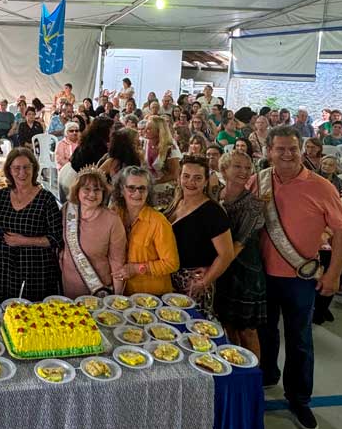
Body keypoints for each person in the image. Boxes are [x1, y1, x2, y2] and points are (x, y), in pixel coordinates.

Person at [258, 125, 342, 429]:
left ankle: (298, 399)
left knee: (299, 341)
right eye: (280, 148)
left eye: (292, 149)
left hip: (300, 277)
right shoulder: (258, 180)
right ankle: (267, 375)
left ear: (302, 150)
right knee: (266, 332)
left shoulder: (322, 187)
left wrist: (334, 273)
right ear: (269, 150)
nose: (287, 154)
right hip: (262, 275)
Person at [163, 155, 234, 317]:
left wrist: (204, 281)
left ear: (206, 181)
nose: (190, 182)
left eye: (197, 178)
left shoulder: (213, 212)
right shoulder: (177, 201)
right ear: (179, 177)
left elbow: (227, 254)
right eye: (186, 176)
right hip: (169, 278)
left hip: (191, 282)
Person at [214, 151, 266, 355]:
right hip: (223, 269)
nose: (243, 171)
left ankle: (254, 380)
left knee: (247, 330)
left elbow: (238, 244)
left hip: (245, 272)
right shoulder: (215, 194)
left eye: (247, 167)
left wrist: (212, 272)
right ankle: (237, 370)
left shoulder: (254, 205)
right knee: (227, 325)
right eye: (237, 166)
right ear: (224, 169)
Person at [0, 148, 62, 301]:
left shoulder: (46, 199)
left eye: (26, 167)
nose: (22, 172)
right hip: (7, 267)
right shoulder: (2, 195)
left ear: (34, 168)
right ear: (9, 170)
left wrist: (23, 241)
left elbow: (57, 238)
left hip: (36, 269)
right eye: (16, 168)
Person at [108, 166, 180, 295]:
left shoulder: (159, 222)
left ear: (148, 191)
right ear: (121, 190)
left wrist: (137, 269)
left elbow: (172, 263)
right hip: (122, 294)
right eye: (131, 188)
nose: (137, 193)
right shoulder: (114, 213)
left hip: (152, 297)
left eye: (142, 188)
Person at [58, 168, 127, 298]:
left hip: (98, 291)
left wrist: (117, 297)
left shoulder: (112, 220)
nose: (92, 194)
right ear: (77, 191)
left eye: (97, 190)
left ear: (104, 192)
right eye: (86, 189)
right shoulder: (67, 211)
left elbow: (117, 262)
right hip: (68, 290)